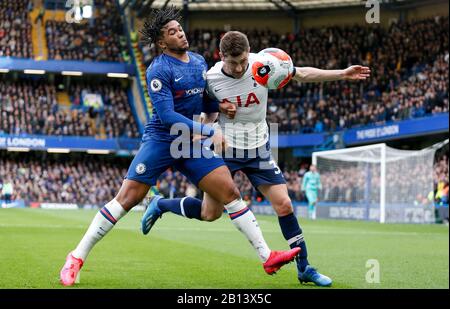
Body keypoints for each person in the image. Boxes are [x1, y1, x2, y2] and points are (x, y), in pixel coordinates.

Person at [59, 7, 299, 287]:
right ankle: (75, 257)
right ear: (162, 43)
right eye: (172, 32)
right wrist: (210, 130)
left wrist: (219, 106)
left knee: (230, 193)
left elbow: (201, 102)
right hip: (162, 139)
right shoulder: (158, 69)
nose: (180, 33)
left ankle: (267, 257)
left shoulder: (197, 62)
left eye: (180, 28)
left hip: (190, 142)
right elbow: (168, 117)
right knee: (127, 199)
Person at [142, 30, 370, 287]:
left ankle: (305, 267)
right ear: (221, 56)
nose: (239, 67)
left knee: (284, 204)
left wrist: (342, 73)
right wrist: (202, 131)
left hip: (259, 147)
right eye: (233, 62)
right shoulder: (211, 78)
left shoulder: (265, 65)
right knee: (209, 214)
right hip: (225, 151)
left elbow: (301, 73)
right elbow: (203, 109)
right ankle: (161, 205)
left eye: (242, 61)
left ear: (249, 53)